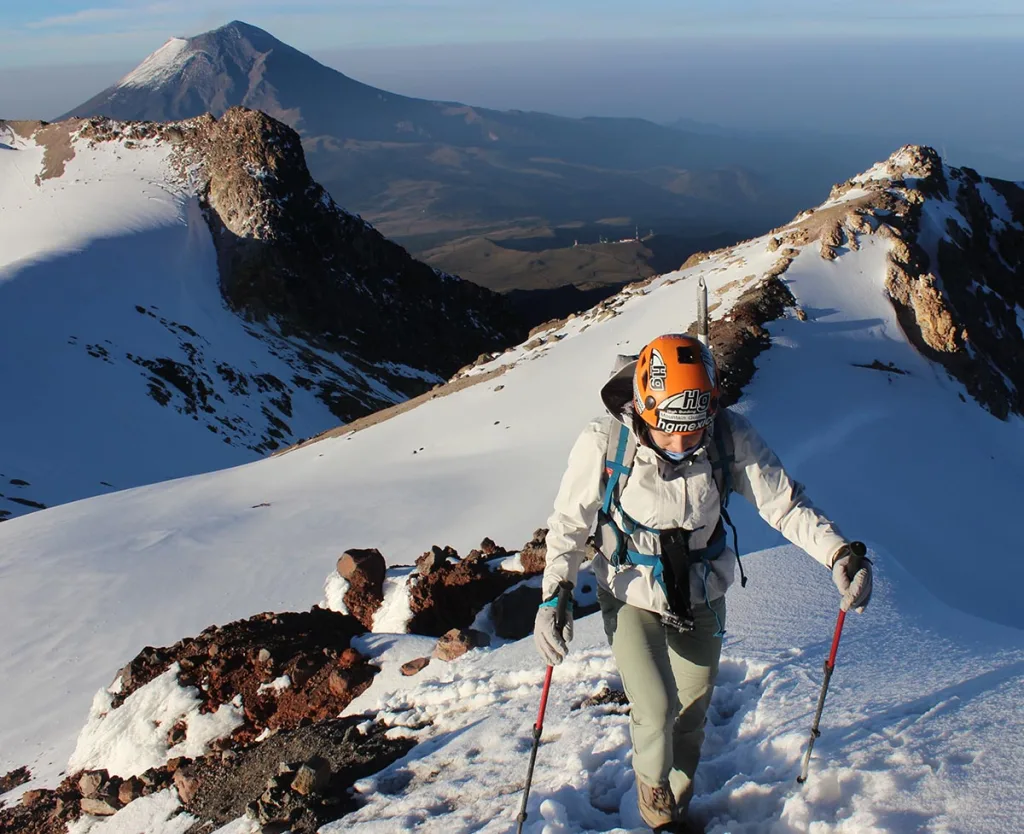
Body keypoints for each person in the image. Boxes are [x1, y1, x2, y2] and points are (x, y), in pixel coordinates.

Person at [533, 333, 872, 832]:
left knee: (691, 712)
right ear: (644, 410)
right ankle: (655, 804)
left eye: (693, 432)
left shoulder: (727, 436)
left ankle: (677, 800)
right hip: (629, 588)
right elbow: (569, 523)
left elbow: (784, 504)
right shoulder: (605, 442)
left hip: (702, 589)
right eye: (669, 432)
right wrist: (554, 594)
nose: (681, 444)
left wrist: (838, 552)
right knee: (654, 705)